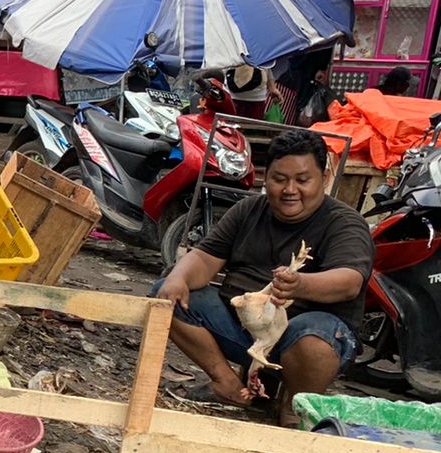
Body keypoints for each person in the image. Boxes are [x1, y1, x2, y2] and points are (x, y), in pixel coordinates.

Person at [155, 129, 373, 425]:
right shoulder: (248, 210)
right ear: (265, 177)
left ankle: (294, 407)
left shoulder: (345, 223)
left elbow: (350, 282)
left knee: (314, 338)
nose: (290, 190)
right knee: (168, 294)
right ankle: (227, 384)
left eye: (302, 180)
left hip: (307, 341)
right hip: (245, 333)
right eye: (279, 179)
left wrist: (301, 285)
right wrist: (178, 276)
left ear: (324, 178)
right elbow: (205, 258)